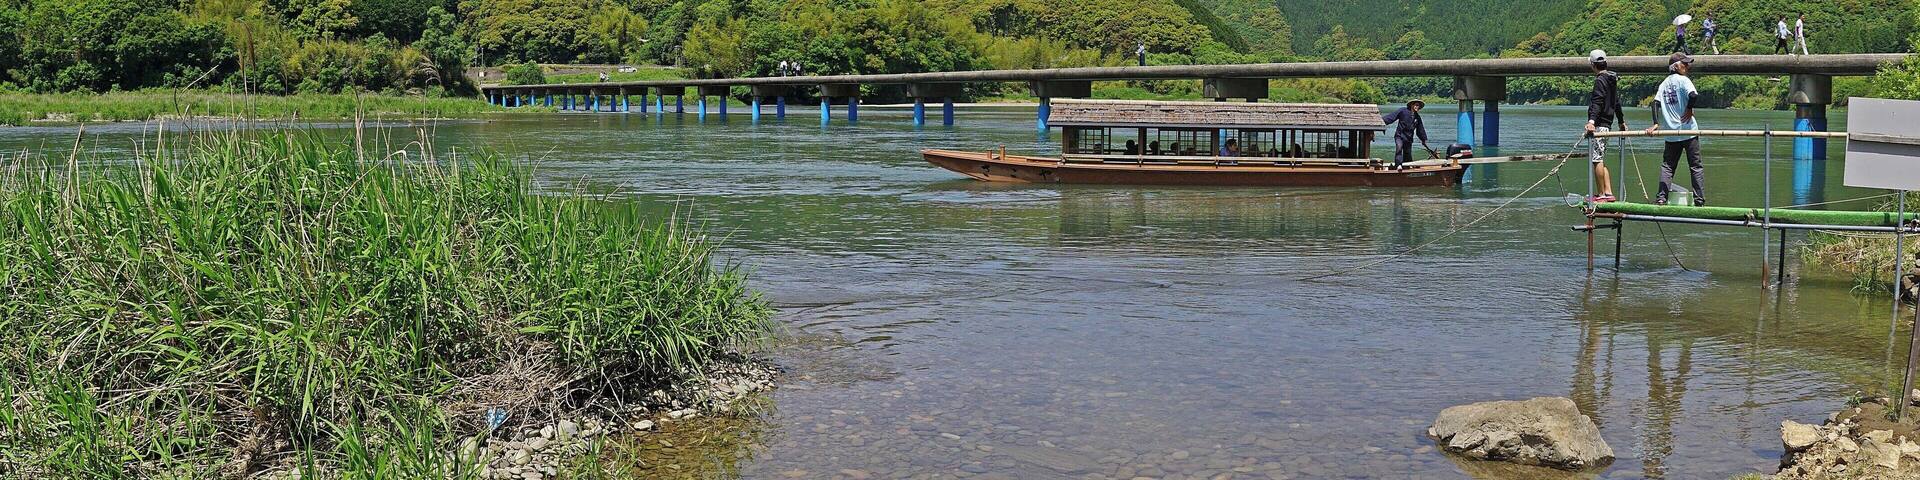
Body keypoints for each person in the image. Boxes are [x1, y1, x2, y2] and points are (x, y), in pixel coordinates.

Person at [1645, 52, 1706, 206]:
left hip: (1671, 133)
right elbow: (1693, 95)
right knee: (1695, 166)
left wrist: (1656, 123)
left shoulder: (1664, 83)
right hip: (1689, 131)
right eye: (1684, 64)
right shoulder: (1683, 80)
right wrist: (1689, 109)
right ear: (1676, 66)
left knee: (1668, 167)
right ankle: (1699, 200)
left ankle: (1661, 198)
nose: (1687, 66)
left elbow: (1655, 103)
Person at [1584, 49, 1627, 203]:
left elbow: (1597, 102)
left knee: (1596, 160)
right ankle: (1608, 193)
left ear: (1592, 64)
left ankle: (1601, 194)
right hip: (1608, 124)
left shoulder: (1600, 80)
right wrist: (1621, 121)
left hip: (1600, 124)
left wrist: (1591, 122)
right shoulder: (1611, 80)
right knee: (1601, 159)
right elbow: (1617, 103)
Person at [1380, 100, 1429, 170]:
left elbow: (1420, 130)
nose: (1417, 107)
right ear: (1412, 105)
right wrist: (1381, 122)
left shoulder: (1417, 117)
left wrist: (1423, 139)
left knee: (1407, 153)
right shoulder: (1403, 111)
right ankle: (1398, 165)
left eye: (1418, 106)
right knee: (1399, 148)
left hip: (1408, 138)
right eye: (1416, 105)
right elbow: (1391, 117)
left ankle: (1407, 168)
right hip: (1399, 136)